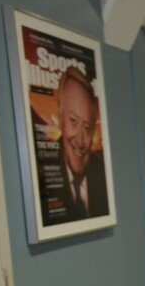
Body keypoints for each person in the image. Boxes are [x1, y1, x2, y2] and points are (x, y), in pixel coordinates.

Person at [40, 66, 110, 224]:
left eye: (86, 128)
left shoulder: (103, 175)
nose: (80, 141)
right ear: (60, 118)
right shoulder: (41, 175)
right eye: (73, 121)